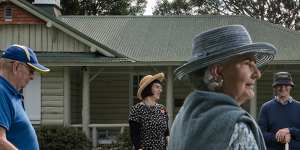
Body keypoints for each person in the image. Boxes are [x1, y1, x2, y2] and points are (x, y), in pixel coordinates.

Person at [168, 25, 277, 150]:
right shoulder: (236, 125)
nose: (257, 74)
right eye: (247, 63)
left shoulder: (181, 120)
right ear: (217, 72)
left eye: (255, 64)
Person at [0, 44, 50, 150]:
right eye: (31, 71)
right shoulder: (1, 92)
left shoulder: (10, 93)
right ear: (16, 67)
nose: (32, 77)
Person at [258, 72, 300, 150]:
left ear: (291, 87)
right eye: (280, 85)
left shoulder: (299, 107)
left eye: (286, 85)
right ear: (275, 87)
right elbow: (260, 134)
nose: (283, 88)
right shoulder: (266, 107)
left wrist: (290, 131)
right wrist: (280, 137)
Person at [128, 72, 169, 150]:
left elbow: (166, 132)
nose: (160, 90)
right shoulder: (136, 110)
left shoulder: (162, 109)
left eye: (160, 88)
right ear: (148, 88)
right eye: (157, 87)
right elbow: (134, 135)